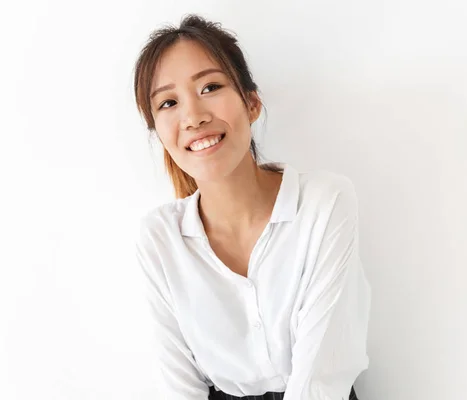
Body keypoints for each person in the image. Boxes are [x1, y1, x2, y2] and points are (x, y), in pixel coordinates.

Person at [133, 14, 371, 400]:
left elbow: (320, 380)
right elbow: (179, 387)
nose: (193, 116)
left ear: (251, 102)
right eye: (168, 102)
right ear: (157, 129)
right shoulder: (159, 237)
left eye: (210, 86)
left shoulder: (324, 204)